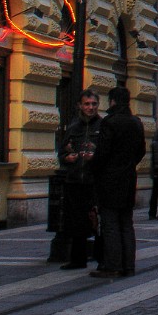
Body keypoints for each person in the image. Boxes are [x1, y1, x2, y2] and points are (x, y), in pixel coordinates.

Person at [89, 86, 146, 279]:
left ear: (113, 101)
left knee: (110, 223)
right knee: (126, 223)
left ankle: (112, 265)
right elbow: (141, 151)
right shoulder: (136, 122)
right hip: (129, 178)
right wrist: (128, 165)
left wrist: (94, 167)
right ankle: (128, 265)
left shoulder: (110, 122)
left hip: (109, 180)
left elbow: (103, 152)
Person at [57, 89, 102, 270]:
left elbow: (106, 152)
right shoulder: (73, 127)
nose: (90, 107)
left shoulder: (102, 126)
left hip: (94, 180)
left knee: (97, 221)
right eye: (87, 104)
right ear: (80, 106)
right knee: (75, 221)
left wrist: (95, 157)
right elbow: (63, 151)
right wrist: (67, 158)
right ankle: (78, 259)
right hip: (75, 179)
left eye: (93, 104)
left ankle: (101, 258)